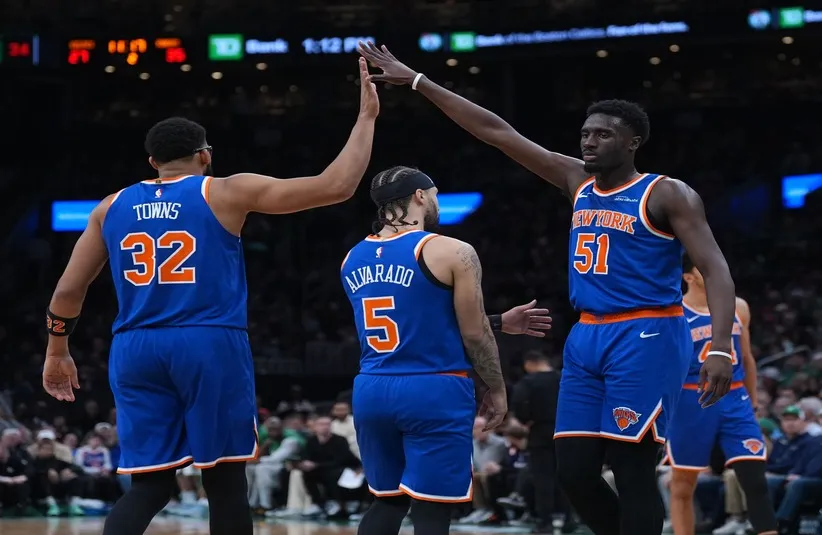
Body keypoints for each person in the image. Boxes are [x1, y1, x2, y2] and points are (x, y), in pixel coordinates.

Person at [357, 42, 736, 535]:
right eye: (586, 133)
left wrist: (722, 347)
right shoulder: (575, 180)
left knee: (632, 469)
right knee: (572, 471)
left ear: (634, 142)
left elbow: (716, 268)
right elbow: (498, 132)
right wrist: (417, 81)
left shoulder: (666, 192)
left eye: (604, 134)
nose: (590, 141)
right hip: (586, 337)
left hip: (647, 333)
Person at [41, 57, 380, 535]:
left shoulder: (109, 206)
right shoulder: (222, 190)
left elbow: (68, 289)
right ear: (205, 155)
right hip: (205, 341)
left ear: (153, 163)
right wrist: (365, 118)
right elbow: (336, 187)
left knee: (150, 486)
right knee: (223, 481)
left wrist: (57, 351)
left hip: (134, 346)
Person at [341, 165, 552, 535]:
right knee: (432, 509)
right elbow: (474, 334)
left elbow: (414, 318)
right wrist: (497, 387)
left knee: (387, 502)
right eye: (435, 194)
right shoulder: (453, 250)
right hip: (433, 388)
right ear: (421, 195)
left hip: (372, 387)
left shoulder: (351, 258)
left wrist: (499, 320)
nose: (436, 202)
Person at [665, 255, 777, 535]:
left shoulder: (738, 306)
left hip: (735, 396)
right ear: (688, 277)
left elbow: (748, 358)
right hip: (692, 400)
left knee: (755, 478)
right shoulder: (673, 313)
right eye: (702, 268)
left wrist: (753, 402)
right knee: (682, 484)